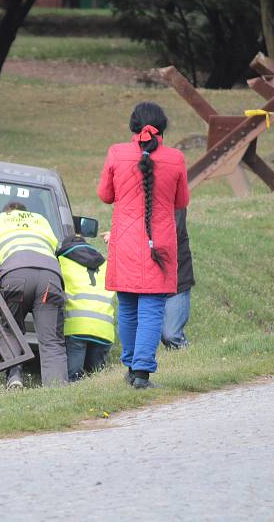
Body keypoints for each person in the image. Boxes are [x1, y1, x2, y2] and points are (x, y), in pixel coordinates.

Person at [97, 102, 189, 389]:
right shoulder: (175, 158)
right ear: (162, 128)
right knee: (151, 308)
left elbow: (104, 195)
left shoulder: (116, 153)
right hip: (158, 242)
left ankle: (130, 365)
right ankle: (141, 372)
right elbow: (181, 202)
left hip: (124, 241)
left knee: (127, 306)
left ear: (133, 127)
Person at [0, 202, 67, 388]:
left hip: (15, 277)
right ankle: (56, 388)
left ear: (6, 213)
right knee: (51, 341)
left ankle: (14, 377)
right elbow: (55, 246)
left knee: (11, 329)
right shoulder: (41, 220)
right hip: (50, 278)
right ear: (26, 213)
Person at [57, 235, 116, 382]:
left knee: (74, 379)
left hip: (77, 326)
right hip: (104, 328)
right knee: (96, 378)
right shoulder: (104, 264)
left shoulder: (61, 261)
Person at [161, 208, 194, 350]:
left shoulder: (175, 199)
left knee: (171, 335)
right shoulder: (141, 197)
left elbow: (173, 232)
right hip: (149, 282)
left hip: (177, 279)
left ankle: (188, 361)